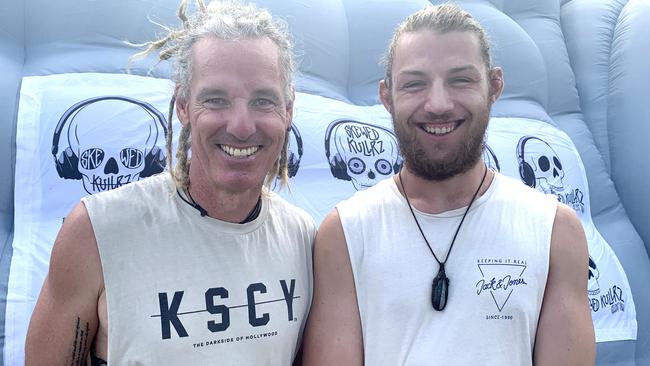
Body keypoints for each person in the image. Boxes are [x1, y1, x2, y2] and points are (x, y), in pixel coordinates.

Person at [303, 3, 595, 365]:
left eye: (460, 80)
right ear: (386, 95)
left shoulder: (555, 231)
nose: (438, 104)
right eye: (414, 84)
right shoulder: (345, 234)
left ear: (495, 86)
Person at [25, 1, 315, 364]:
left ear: (288, 110)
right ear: (182, 105)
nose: (241, 126)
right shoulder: (97, 231)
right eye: (215, 99)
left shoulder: (302, 237)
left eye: (263, 100)